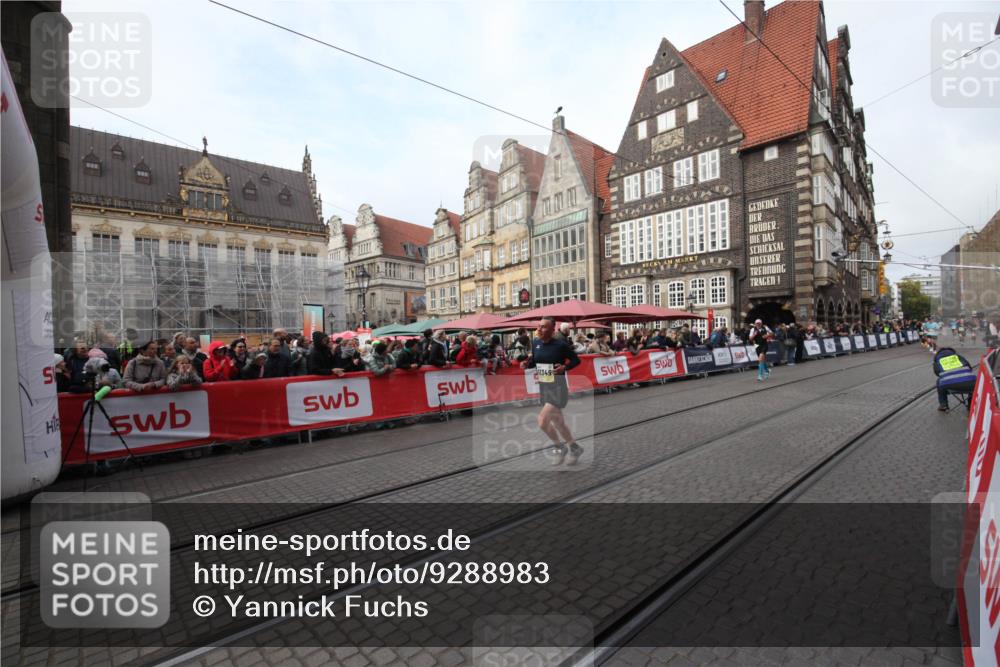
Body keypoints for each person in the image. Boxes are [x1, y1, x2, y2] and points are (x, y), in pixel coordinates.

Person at [524, 316, 583, 466]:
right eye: (539, 326)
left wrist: (565, 367)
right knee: (559, 423)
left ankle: (559, 447)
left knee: (542, 421)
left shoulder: (560, 345)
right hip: (544, 386)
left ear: (552, 330)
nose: (539, 329)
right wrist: (527, 364)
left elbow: (576, 360)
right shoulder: (535, 343)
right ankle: (575, 448)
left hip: (558, 388)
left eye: (544, 327)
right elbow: (534, 362)